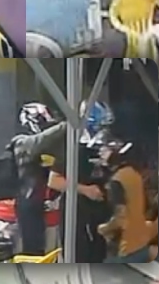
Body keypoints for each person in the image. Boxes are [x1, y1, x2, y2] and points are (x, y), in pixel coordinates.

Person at [47, 100, 113, 263]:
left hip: (100, 216)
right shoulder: (70, 146)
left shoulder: (102, 147)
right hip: (77, 215)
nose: (103, 131)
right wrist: (85, 190)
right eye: (100, 126)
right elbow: (54, 181)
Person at [96, 136, 157, 263]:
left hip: (124, 249)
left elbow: (120, 217)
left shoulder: (116, 181)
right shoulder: (133, 173)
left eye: (105, 150)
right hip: (141, 243)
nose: (100, 152)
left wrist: (104, 229)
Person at [14, 102, 61, 255]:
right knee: (32, 250)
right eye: (42, 122)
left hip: (43, 202)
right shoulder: (22, 142)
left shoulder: (45, 147)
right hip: (28, 202)